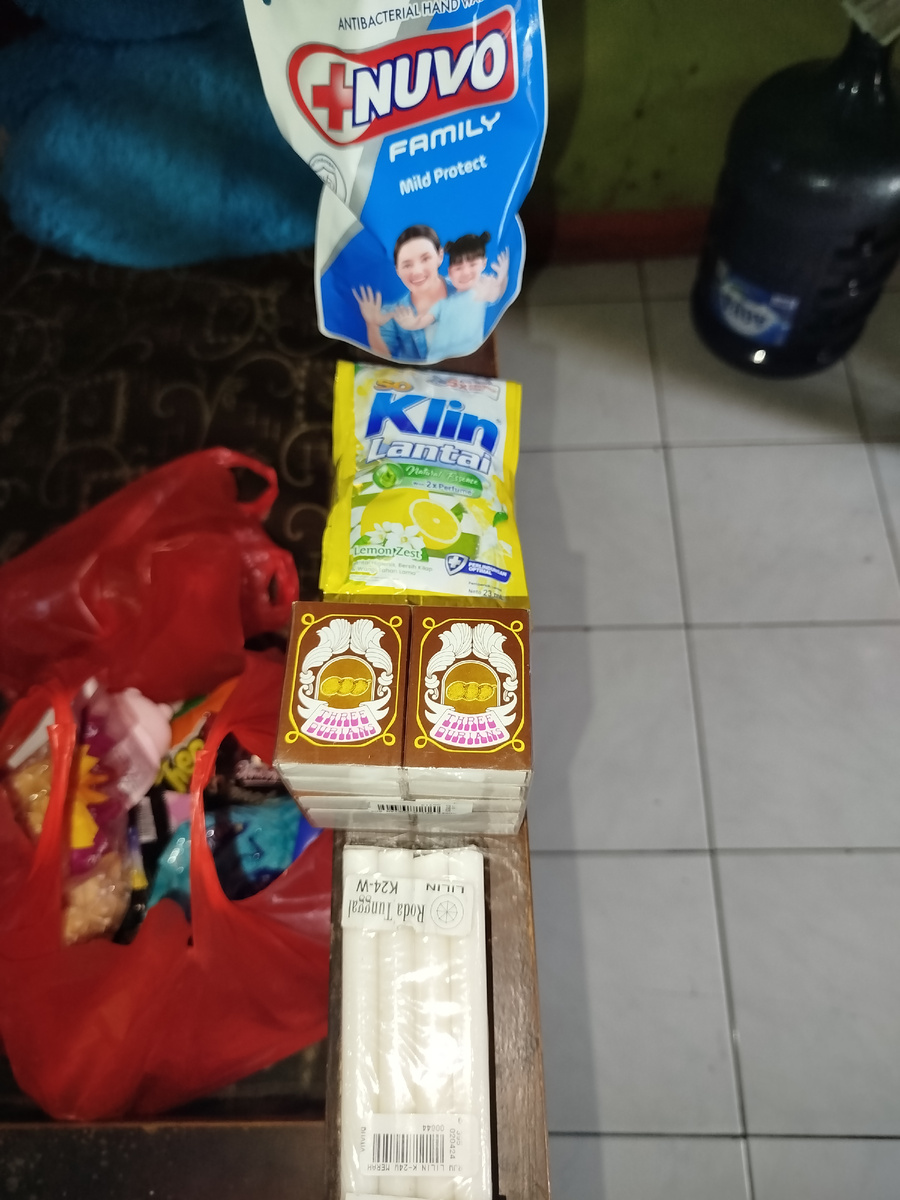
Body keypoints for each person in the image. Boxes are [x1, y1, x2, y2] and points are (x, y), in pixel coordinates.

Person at [388, 232, 509, 362]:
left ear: (483, 264)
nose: (465, 272)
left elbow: (497, 293)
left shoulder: (480, 290)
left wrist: (503, 277)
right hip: (438, 359)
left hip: (470, 355)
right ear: (450, 272)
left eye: (472, 265)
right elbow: (424, 321)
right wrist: (411, 324)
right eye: (458, 268)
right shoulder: (443, 304)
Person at [353, 225, 449, 361]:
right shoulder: (390, 313)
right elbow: (384, 357)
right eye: (407, 265)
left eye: (425, 259)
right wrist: (372, 325)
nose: (417, 271)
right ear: (397, 270)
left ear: (440, 255)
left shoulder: (465, 288)